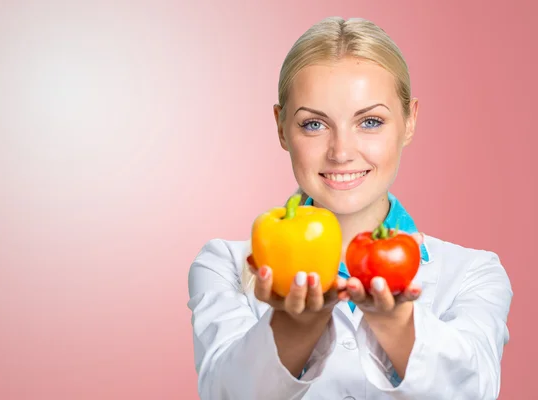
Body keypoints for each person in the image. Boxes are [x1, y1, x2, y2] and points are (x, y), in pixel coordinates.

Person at [186, 16, 513, 400]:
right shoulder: (223, 265)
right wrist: (293, 329)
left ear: (409, 121)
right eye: (313, 125)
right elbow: (223, 392)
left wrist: (397, 326)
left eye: (370, 121)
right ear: (280, 127)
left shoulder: (474, 273)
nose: (341, 152)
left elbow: (475, 390)